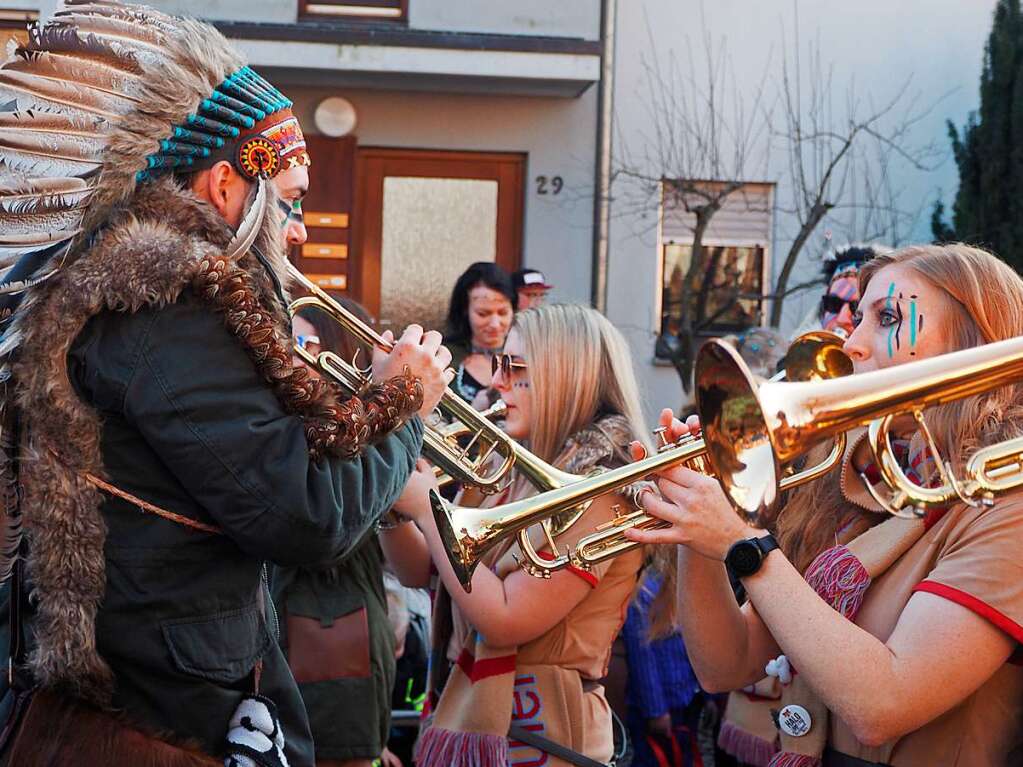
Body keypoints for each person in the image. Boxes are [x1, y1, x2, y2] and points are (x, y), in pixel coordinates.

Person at [0, 5, 450, 765]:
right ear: (223, 185)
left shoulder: (136, 300)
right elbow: (306, 514)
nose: (300, 228)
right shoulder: (170, 309)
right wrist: (403, 401)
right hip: (167, 714)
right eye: (293, 197)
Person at [630, 244, 1023, 766]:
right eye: (856, 318)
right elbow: (726, 665)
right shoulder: (866, 479)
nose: (850, 344)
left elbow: (883, 705)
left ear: (974, 342)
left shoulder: (1006, 502)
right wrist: (696, 517)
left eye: (886, 318)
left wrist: (742, 544)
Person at [381, 303, 650, 767]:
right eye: (499, 364)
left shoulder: (609, 489)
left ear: (566, 374)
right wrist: (394, 490)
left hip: (548, 735)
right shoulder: (504, 464)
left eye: (514, 366)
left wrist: (429, 505)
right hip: (470, 712)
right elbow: (420, 569)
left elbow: (506, 617)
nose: (496, 381)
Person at [273, 301, 403, 767]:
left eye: (306, 344)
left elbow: (326, 527)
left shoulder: (355, 430)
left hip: (333, 638)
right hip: (300, 633)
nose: (291, 356)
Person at [444, 262, 516, 408]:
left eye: (503, 313)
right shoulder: (443, 358)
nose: (495, 324)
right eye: (483, 314)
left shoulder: (528, 356)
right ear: (465, 311)